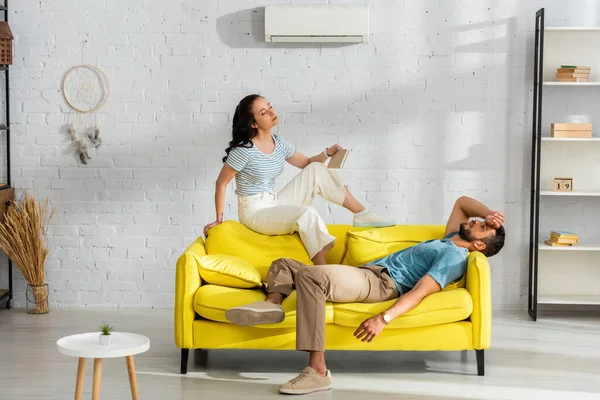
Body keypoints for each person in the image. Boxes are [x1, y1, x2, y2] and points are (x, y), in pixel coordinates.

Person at [224, 195, 506, 395]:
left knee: (310, 275)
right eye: (481, 220)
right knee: (285, 264)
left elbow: (421, 291)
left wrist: (383, 318)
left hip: (380, 283)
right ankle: (272, 304)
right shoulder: (449, 238)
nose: (477, 220)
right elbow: (462, 202)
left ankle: (318, 372)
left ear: (479, 245)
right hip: (367, 273)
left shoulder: (454, 256)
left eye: (482, 225)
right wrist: (492, 212)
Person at [203, 94, 395, 265]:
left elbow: (307, 163)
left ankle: (362, 214)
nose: (271, 112)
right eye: (264, 112)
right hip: (253, 212)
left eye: (270, 106)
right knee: (306, 214)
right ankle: (323, 269)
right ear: (253, 123)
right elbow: (221, 183)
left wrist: (327, 153)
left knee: (317, 169)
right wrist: (219, 219)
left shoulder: (279, 144)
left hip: (274, 201)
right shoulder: (244, 151)